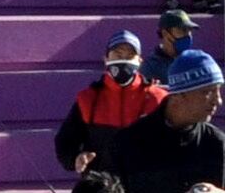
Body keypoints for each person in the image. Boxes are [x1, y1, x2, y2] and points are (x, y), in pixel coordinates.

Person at [109, 51, 225, 193]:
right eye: (207, 92)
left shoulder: (220, 148)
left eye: (218, 90)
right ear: (177, 95)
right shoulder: (128, 144)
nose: (217, 101)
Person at [58, 31, 161, 180]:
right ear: (106, 59)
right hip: (101, 190)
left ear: (140, 61)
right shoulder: (88, 98)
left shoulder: (157, 98)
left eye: (130, 55)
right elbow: (65, 140)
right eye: (118, 55)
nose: (123, 60)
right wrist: (75, 158)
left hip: (144, 188)